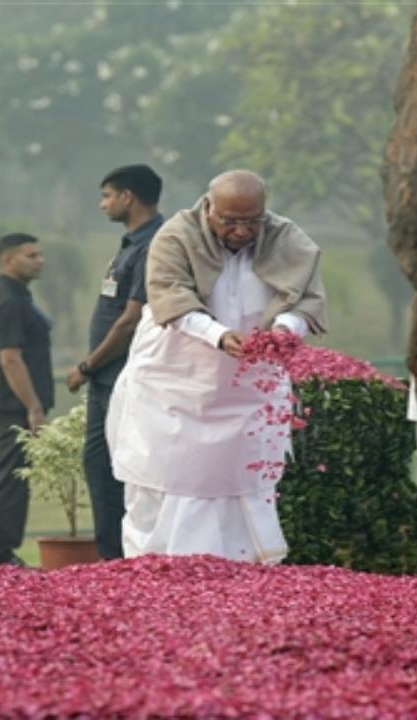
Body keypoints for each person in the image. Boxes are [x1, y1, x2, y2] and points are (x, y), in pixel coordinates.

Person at [105, 170, 326, 562]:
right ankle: (159, 570)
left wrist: (283, 330)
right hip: (175, 380)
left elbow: (306, 300)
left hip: (249, 382)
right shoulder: (175, 236)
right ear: (209, 208)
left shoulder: (287, 237)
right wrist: (220, 336)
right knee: (169, 477)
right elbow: (170, 298)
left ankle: (243, 570)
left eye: (251, 220)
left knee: (243, 481)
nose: (241, 231)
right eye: (230, 220)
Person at [65, 164, 164, 560]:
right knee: (99, 466)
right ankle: (111, 560)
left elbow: (132, 319)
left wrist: (87, 365)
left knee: (120, 472)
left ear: (128, 197)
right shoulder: (131, 243)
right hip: (105, 381)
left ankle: (125, 561)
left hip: (123, 378)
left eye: (107, 196)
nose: (102, 204)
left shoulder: (154, 244)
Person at [0, 233, 51, 565]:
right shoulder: (7, 301)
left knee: (6, 476)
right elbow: (10, 358)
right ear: (8, 260)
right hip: (12, 403)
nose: (40, 260)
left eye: (39, 254)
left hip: (10, 402)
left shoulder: (17, 296)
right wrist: (33, 406)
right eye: (31, 255)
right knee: (9, 479)